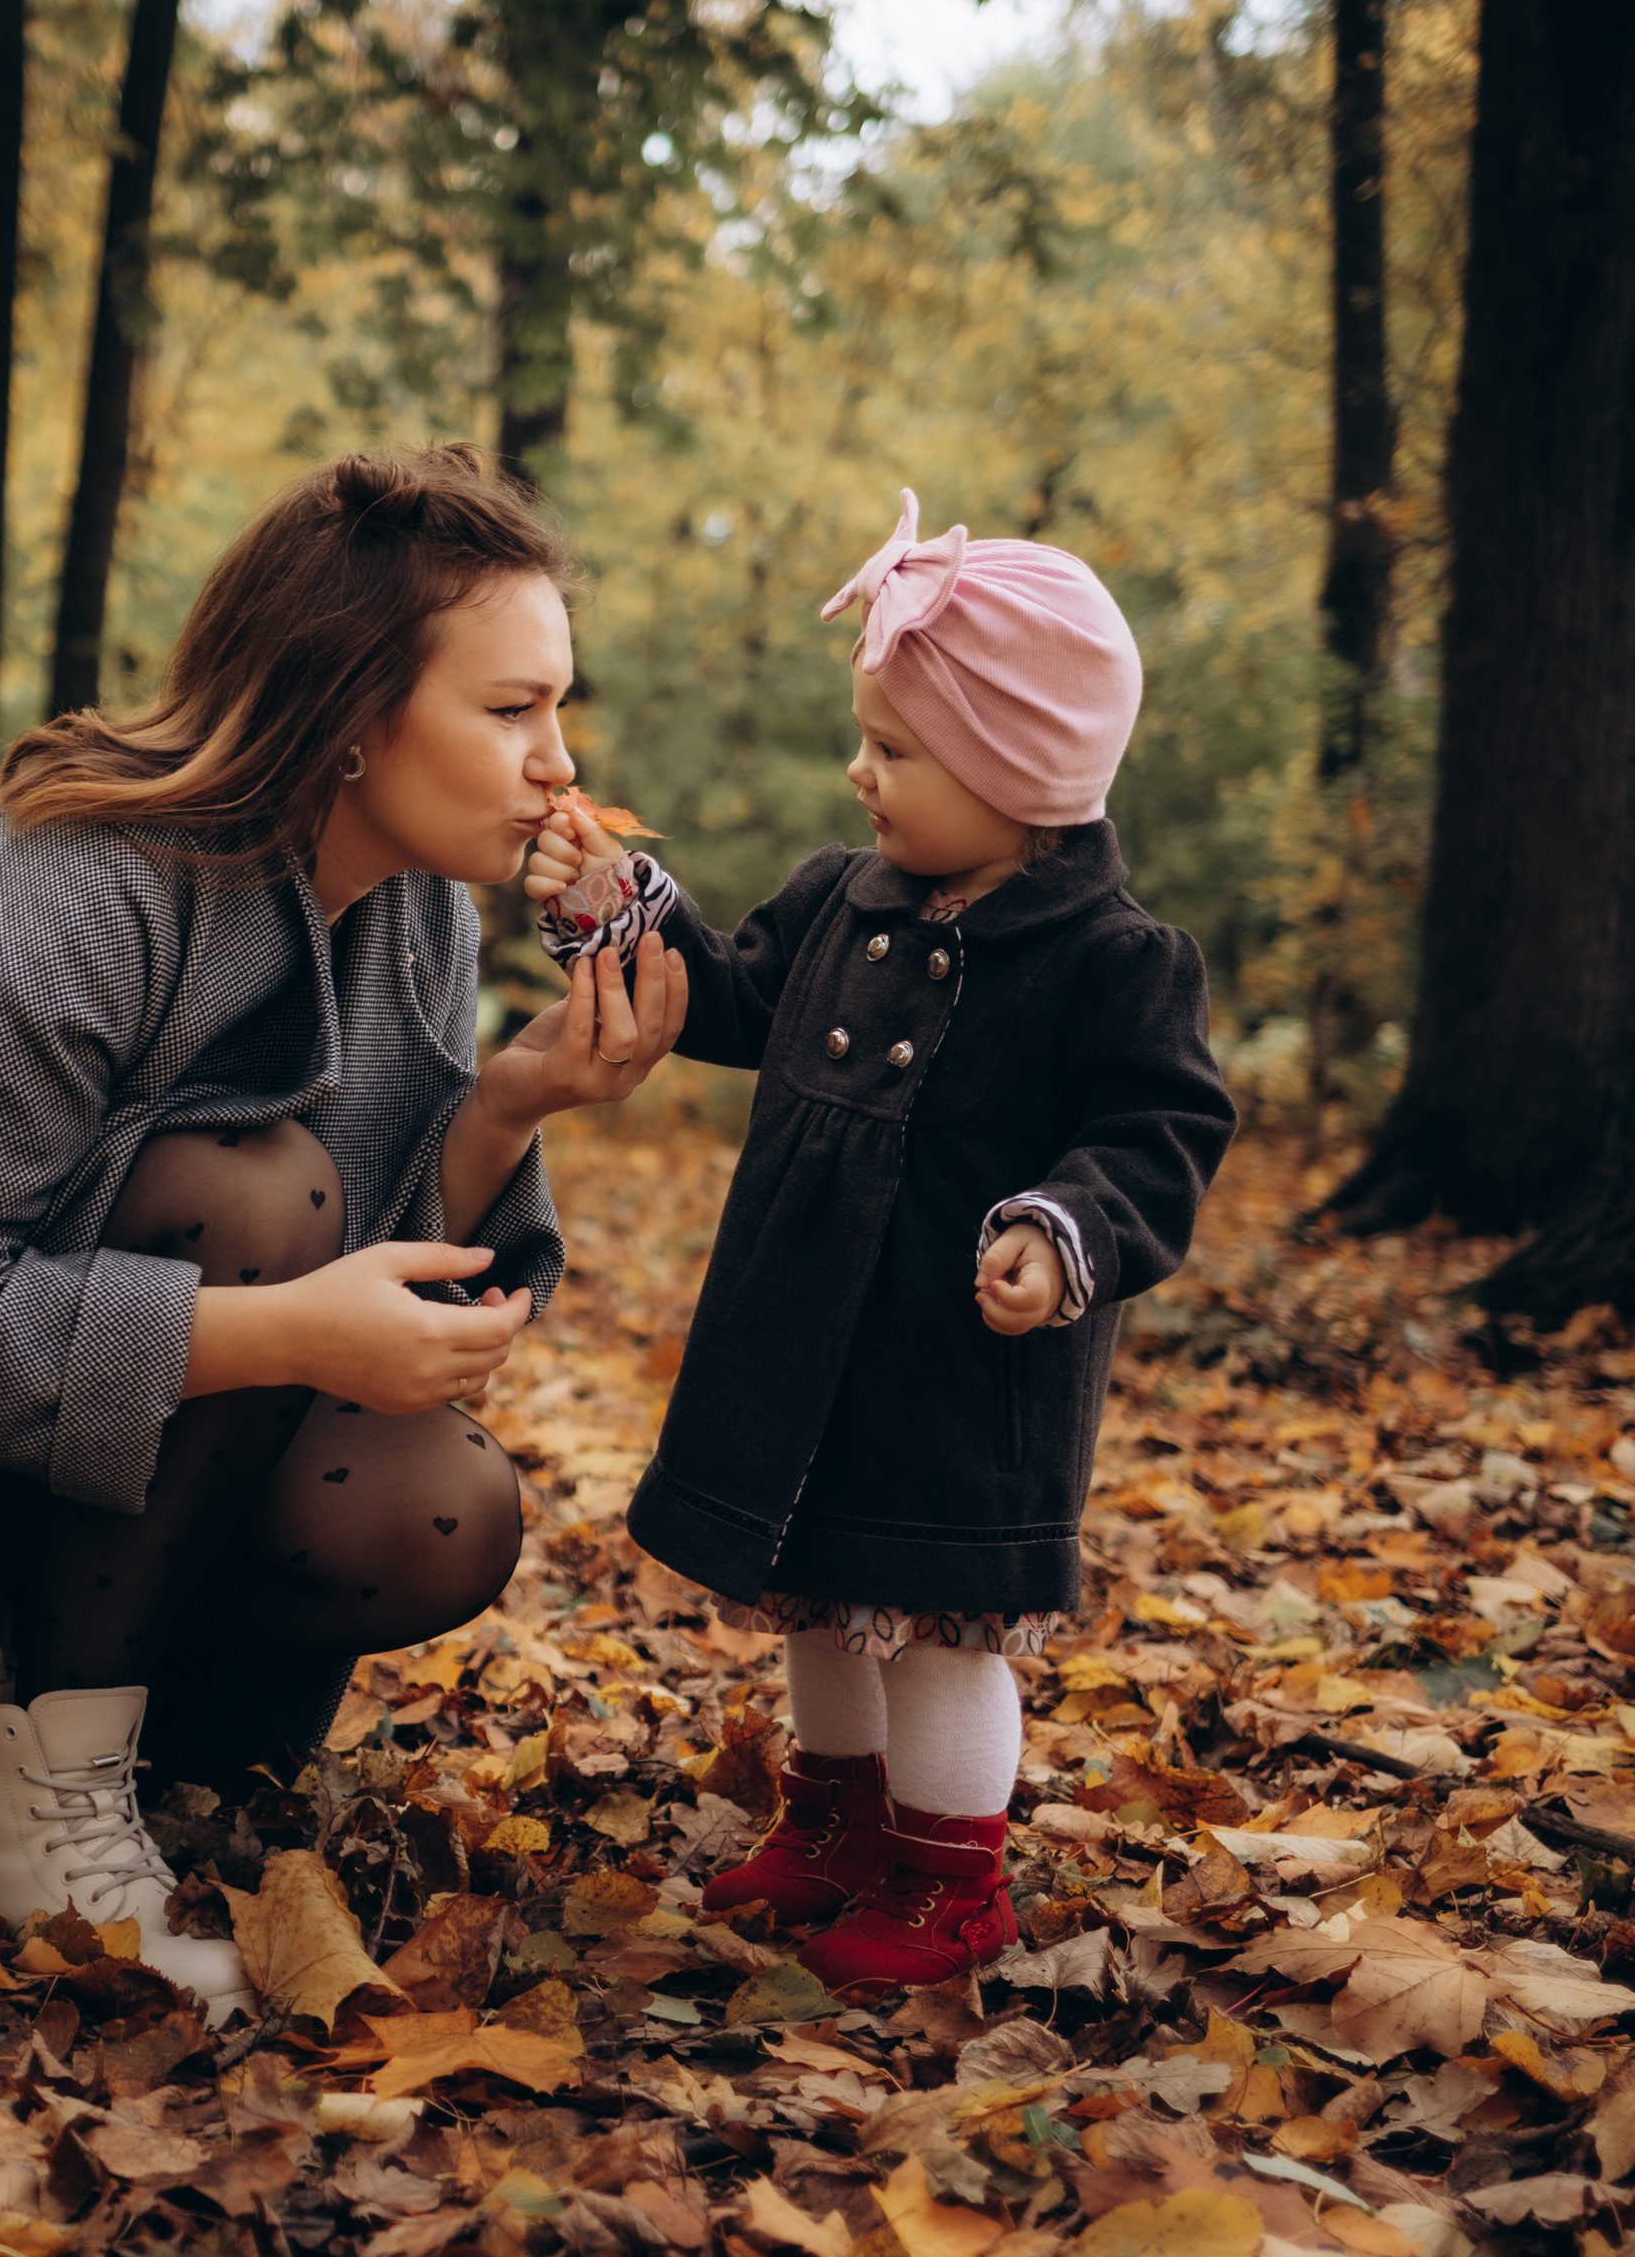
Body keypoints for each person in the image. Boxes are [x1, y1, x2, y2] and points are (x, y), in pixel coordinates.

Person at [0, 447, 685, 2001]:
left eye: (558, 710)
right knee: (249, 1182)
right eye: (511, 712)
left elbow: (376, 1272)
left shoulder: (418, 914)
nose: (560, 765)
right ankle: (33, 1798)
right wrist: (293, 1329)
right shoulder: (61, 886)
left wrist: (509, 1107)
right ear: (354, 713)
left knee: (436, 1509)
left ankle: (97, 1772)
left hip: (77, 1445)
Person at [524, 489, 1233, 1984]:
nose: (861, 773)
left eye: (896, 750)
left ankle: (946, 1875)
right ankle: (835, 1821)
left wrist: (1066, 1230)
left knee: (941, 1623)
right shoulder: (839, 902)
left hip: (962, 1362)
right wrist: (617, 906)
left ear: (1020, 768)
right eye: (869, 736)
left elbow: (1160, 1136)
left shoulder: (1114, 962)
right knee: (822, 1595)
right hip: (805, 1333)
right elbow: (725, 999)